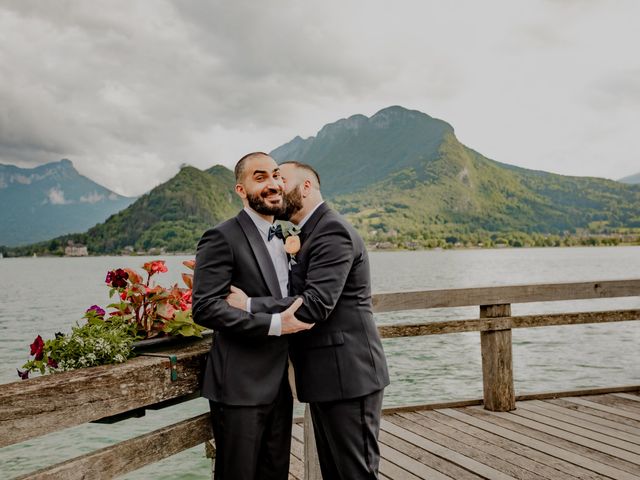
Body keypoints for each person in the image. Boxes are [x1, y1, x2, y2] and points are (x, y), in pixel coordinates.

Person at [227, 161, 390, 479]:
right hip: (328, 376)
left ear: (306, 187)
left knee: (355, 472)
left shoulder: (333, 230)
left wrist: (246, 304)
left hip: (348, 375)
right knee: (335, 472)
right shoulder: (311, 232)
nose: (275, 186)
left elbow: (316, 304)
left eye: (281, 179)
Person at [192, 152, 313, 480]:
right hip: (239, 388)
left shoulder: (286, 236)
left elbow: (289, 297)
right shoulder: (221, 236)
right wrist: (274, 324)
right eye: (260, 178)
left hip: (280, 386)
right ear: (241, 190)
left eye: (276, 175)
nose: (273, 184)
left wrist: (255, 305)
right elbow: (204, 307)